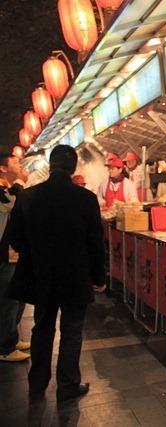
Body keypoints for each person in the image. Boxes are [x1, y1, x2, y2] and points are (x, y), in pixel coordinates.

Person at [6, 145, 106, 401]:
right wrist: (99, 277)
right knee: (72, 330)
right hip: (75, 276)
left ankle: (37, 384)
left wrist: (36, 250)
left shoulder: (27, 197)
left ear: (50, 166)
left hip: (41, 277)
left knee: (42, 328)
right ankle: (68, 385)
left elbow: (14, 239)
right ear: (73, 168)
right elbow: (95, 242)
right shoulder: (85, 199)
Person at [0, 155, 29, 362]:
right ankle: (5, 347)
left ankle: (11, 336)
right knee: (7, 299)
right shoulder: (4, 191)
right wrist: (20, 183)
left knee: (14, 298)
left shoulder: (7, 188)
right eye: (15, 163)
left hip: (11, 253)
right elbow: (10, 205)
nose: (20, 166)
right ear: (3, 168)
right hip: (3, 254)